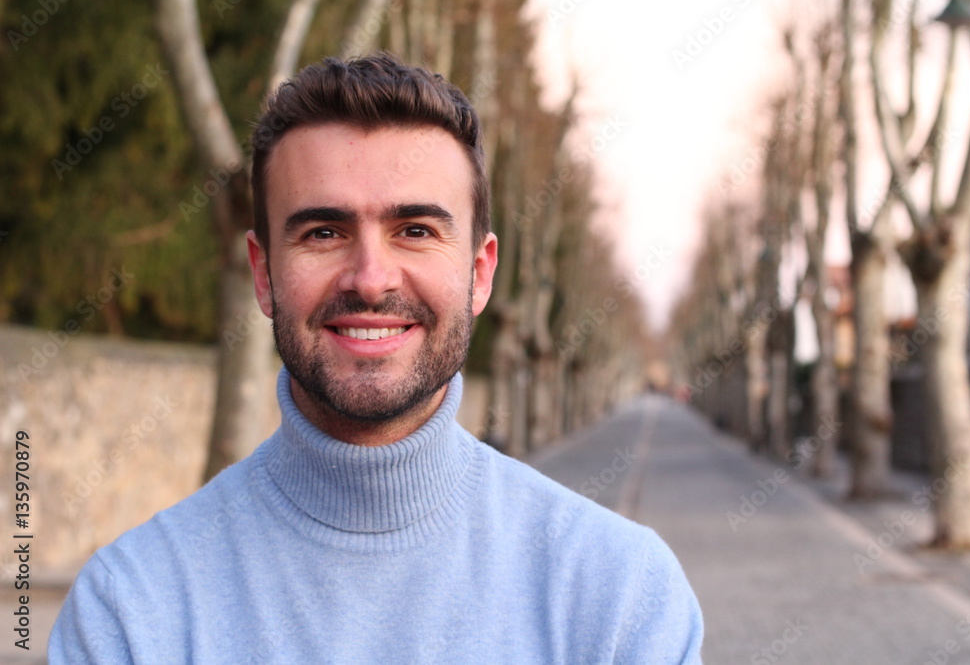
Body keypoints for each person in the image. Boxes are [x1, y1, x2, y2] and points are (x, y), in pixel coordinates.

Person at [49, 53, 703, 663]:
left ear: (480, 273)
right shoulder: (129, 612)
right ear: (263, 272)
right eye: (324, 231)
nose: (369, 277)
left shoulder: (620, 597)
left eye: (415, 230)